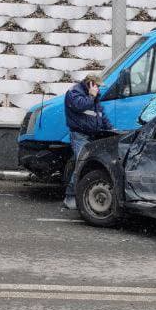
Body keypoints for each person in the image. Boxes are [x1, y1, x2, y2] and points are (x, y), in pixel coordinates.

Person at [62, 73, 112, 210]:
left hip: (92, 135)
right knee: (81, 165)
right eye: (97, 85)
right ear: (90, 83)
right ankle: (70, 197)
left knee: (84, 165)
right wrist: (91, 96)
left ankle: (79, 196)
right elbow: (79, 106)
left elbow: (100, 114)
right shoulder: (74, 93)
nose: (99, 89)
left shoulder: (93, 96)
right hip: (79, 135)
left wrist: (110, 129)